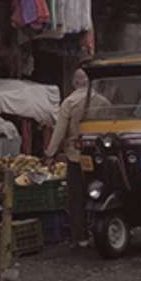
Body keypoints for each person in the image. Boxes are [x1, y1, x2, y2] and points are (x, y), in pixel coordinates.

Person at [45, 69, 101, 248]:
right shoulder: (102, 101)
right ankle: (100, 228)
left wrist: (50, 153)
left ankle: (81, 237)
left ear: (73, 83)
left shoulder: (70, 102)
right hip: (100, 156)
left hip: (77, 156)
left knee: (76, 197)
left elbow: (59, 131)